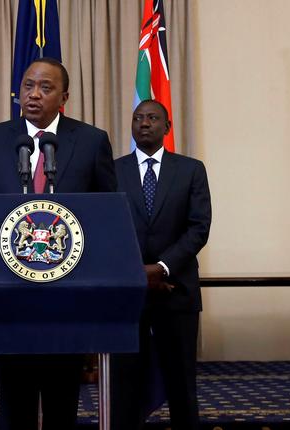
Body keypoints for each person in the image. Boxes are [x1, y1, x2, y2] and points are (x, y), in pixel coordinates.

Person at [0, 57, 116, 430]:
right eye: (28, 86)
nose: (34, 95)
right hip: (8, 295)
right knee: (13, 405)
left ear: (64, 96)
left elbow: (108, 215)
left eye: (45, 88)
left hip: (69, 297)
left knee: (62, 402)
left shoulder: (92, 141)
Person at [111, 99, 211, 430]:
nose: (143, 123)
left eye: (153, 118)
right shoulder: (112, 171)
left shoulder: (191, 169)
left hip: (176, 290)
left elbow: (199, 227)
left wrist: (163, 268)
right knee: (125, 384)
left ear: (167, 127)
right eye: (137, 118)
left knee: (182, 383)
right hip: (127, 293)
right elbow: (105, 229)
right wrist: (137, 273)